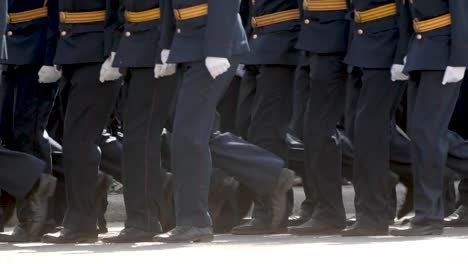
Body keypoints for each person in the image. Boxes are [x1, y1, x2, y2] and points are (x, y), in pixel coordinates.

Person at [153, 0, 295, 243]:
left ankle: (194, 221)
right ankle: (270, 173)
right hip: (188, 40)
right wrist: (167, 44)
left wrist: (217, 47)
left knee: (188, 136)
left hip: (214, 43)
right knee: (195, 132)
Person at [41, 0, 122, 243]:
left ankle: (82, 223)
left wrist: (114, 53)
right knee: (74, 142)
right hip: (71, 52)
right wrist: (53, 55)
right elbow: (57, 11)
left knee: (80, 140)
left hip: (98, 54)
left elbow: (118, 8)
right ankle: (81, 220)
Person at [102, 0, 178, 243]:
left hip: (157, 48)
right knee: (136, 140)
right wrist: (114, 49)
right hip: (132, 47)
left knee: (142, 139)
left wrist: (166, 47)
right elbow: (116, 10)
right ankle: (146, 216)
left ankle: (145, 220)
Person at [391, 0, 468, 236]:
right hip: (421, 53)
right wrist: (402, 56)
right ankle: (428, 212)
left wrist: (459, 59)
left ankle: (429, 217)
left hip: (443, 54)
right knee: (419, 133)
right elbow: (407, 16)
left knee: (428, 134)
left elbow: (461, 13)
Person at [230, 0, 303, 235]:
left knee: (267, 132)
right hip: (256, 44)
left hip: (283, 45)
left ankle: (270, 214)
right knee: (245, 128)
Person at [341, 0, 405, 236]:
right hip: (361, 46)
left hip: (388, 46)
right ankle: (371, 210)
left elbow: (406, 8)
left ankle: (374, 215)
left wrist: (402, 55)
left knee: (370, 134)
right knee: (355, 133)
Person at [288, 0, 350, 235]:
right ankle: (316, 205)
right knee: (305, 129)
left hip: (334, 37)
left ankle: (330, 212)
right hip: (311, 36)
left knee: (319, 128)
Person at [0, 0, 60, 243]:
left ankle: (38, 218)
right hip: (12, 48)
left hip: (38, 50)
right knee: (9, 133)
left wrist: (52, 58)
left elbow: (57, 13)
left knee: (30, 134)